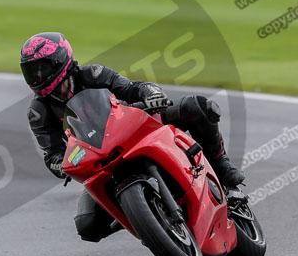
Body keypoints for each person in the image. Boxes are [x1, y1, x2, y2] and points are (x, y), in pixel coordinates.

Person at [20, 31, 244, 244]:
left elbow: (132, 88)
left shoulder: (93, 74)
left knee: (199, 107)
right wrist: (62, 165)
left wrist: (151, 94)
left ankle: (221, 165)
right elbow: (52, 154)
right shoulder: (38, 112)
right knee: (87, 225)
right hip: (98, 159)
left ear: (61, 61)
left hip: (134, 126)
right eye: (31, 71)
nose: (36, 76)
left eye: (41, 68)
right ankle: (147, 220)